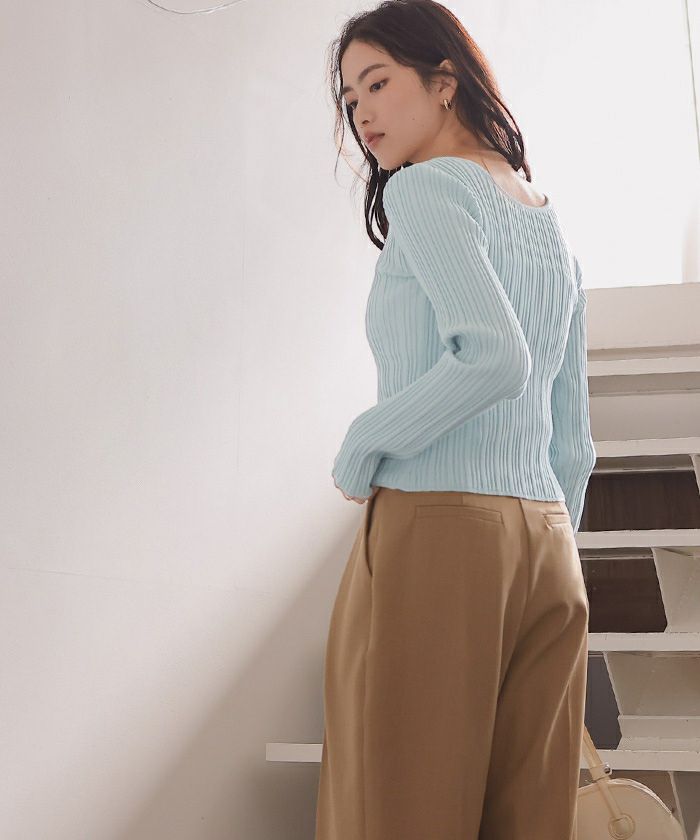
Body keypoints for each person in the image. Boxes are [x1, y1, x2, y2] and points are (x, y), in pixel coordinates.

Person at [316, 2, 597, 838]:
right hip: (549, 543)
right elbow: (574, 442)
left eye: (378, 84)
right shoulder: (546, 221)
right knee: (529, 820)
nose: (362, 113)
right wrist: (545, 547)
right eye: (350, 99)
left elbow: (493, 355)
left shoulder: (429, 189)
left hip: (438, 532)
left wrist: (362, 445)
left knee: (399, 810)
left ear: (445, 82)